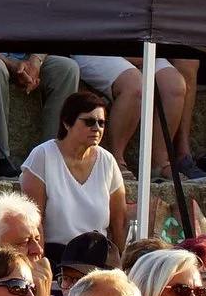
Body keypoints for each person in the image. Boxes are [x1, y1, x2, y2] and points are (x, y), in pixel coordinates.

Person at [22, 92, 129, 253]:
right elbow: (34, 221)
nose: (97, 129)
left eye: (101, 123)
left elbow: (119, 222)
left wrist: (121, 263)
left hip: (98, 255)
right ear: (67, 123)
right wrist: (40, 263)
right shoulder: (42, 156)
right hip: (56, 255)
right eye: (89, 122)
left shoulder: (107, 160)